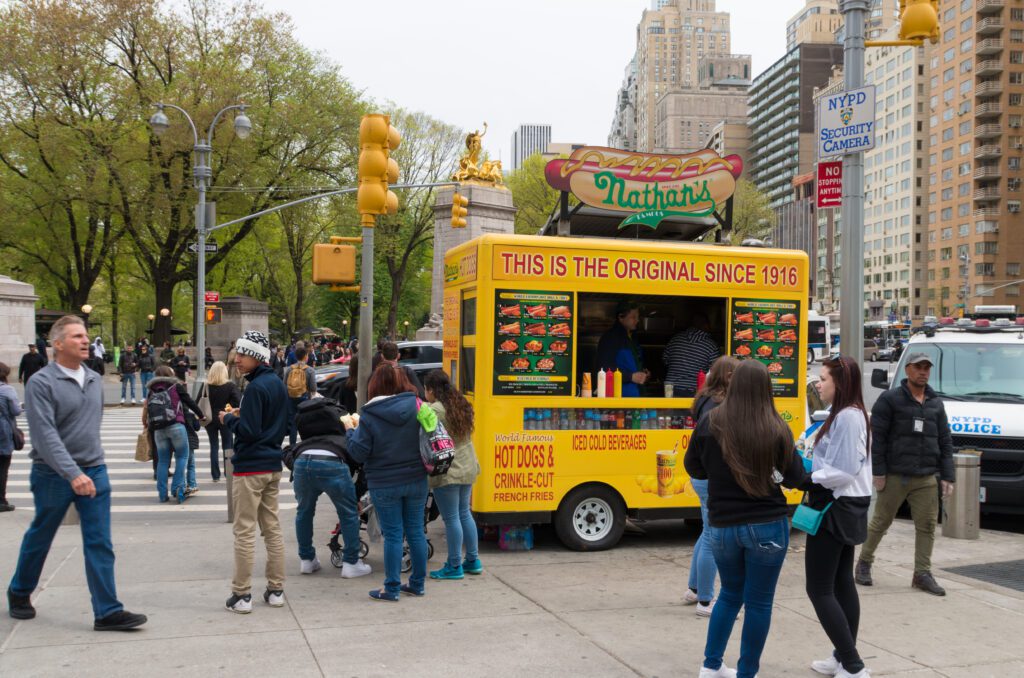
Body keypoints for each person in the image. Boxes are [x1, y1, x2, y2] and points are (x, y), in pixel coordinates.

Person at [7, 315, 146, 630]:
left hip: (94, 469)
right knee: (41, 535)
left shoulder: (95, 378)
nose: (85, 341)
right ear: (57, 345)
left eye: (85, 335)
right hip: (52, 474)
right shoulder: (41, 383)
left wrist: (93, 465)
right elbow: (45, 436)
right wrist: (72, 473)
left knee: (99, 541)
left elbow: (90, 428)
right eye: (76, 336)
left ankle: (107, 611)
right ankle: (19, 591)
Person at [683, 360, 805, 678]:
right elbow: (796, 478)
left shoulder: (710, 422)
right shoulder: (777, 427)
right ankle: (746, 673)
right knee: (759, 603)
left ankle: (710, 666)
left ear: (734, 385)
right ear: (767, 389)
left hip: (723, 525)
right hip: (767, 524)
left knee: (729, 594)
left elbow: (693, 467)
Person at [855, 353, 955, 596]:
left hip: (925, 477)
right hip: (895, 474)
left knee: (928, 525)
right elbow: (876, 440)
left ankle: (922, 573)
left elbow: (944, 439)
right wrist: (878, 472)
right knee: (881, 522)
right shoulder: (889, 400)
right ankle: (864, 563)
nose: (923, 372)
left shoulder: (935, 403)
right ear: (907, 370)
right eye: (919, 367)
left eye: (926, 367)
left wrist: (947, 475)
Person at [804, 357, 873, 678]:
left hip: (837, 505)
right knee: (841, 582)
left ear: (840, 384)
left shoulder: (847, 417)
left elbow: (843, 469)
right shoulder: (849, 414)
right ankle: (844, 657)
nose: (819, 384)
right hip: (847, 504)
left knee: (819, 588)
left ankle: (853, 664)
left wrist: (809, 478)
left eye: (824, 379)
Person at [344, 364, 429, 602]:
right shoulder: (417, 405)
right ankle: (417, 584)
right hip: (417, 478)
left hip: (384, 482)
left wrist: (350, 431)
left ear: (375, 386)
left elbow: (358, 453)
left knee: (393, 534)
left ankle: (391, 588)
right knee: (415, 531)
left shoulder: (370, 414)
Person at [220, 330, 288, 614]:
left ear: (257, 357)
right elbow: (277, 424)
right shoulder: (276, 385)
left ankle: (242, 594)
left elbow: (249, 431)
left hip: (250, 468)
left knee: (244, 532)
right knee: (272, 530)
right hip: (272, 464)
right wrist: (242, 415)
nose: (237, 359)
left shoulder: (255, 389)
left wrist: (229, 421)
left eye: (243, 354)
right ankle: (275, 590)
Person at [290, 398, 372, 579]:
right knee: (348, 513)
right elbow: (359, 466)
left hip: (303, 461)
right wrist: (357, 498)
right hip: (332, 463)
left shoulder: (309, 438)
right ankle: (351, 563)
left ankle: (307, 561)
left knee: (304, 512)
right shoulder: (344, 437)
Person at [683, 356, 740, 617]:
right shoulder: (719, 404)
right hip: (710, 477)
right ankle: (705, 601)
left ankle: (695, 588)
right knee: (711, 538)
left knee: (705, 532)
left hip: (700, 476)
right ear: (728, 376)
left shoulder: (703, 398)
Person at [423, 370, 482, 580]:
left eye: (426, 390)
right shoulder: (461, 403)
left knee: (451, 518)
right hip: (467, 465)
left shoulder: (435, 409)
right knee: (464, 513)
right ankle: (473, 560)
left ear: (431, 390)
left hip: (448, 468)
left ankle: (454, 565)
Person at [144, 366, 205, 503]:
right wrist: (201, 415)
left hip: (158, 429)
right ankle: (177, 488)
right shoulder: (176, 386)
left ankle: (162, 494)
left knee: (163, 460)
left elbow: (148, 409)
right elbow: (189, 402)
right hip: (176, 425)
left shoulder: (151, 390)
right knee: (182, 456)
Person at [595, 300, 648, 397]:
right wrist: (631, 377)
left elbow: (631, 364)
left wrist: (642, 372)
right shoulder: (610, 338)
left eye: (637, 317)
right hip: (619, 398)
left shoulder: (632, 337)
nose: (637, 320)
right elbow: (605, 370)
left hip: (636, 395)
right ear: (621, 317)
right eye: (633, 317)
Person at [664, 314, 720, 398]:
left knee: (670, 410)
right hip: (694, 389)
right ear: (705, 325)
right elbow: (715, 371)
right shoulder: (711, 346)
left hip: (670, 387)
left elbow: (665, 360)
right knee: (691, 411)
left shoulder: (676, 339)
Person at [205, 361, 240, 483]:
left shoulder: (206, 386)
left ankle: (215, 475)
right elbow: (237, 401)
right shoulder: (230, 386)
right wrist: (228, 409)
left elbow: (199, 401)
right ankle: (228, 472)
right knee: (228, 445)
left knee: (213, 446)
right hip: (225, 417)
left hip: (210, 419)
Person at [0, 362, 24, 511]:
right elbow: (15, 411)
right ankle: (1, 501)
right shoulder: (7, 390)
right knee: (2, 466)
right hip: (2, 431)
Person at [285, 347, 317, 446]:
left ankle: (292, 446)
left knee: (293, 423)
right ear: (305, 356)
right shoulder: (310, 370)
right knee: (305, 422)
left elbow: (284, 384)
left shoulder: (290, 369)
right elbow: (313, 387)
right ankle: (305, 445)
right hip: (304, 398)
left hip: (291, 398)